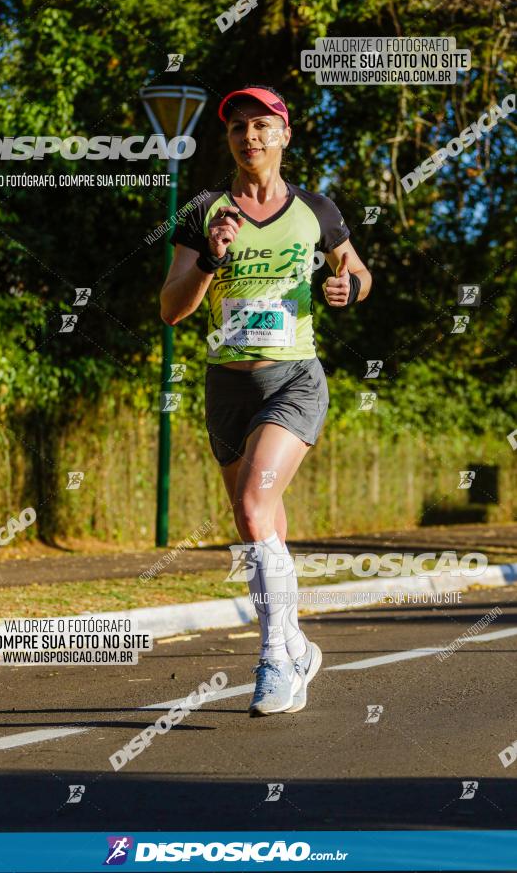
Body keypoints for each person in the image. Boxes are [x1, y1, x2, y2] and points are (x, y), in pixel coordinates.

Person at [161, 85, 372, 716]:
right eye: (236, 128)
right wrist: (208, 256)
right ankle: (299, 645)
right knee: (260, 527)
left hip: (292, 379)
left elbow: (357, 271)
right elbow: (171, 309)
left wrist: (347, 289)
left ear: (283, 133)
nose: (248, 135)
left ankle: (276, 657)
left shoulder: (316, 209)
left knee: (255, 508)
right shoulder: (201, 209)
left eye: (261, 125)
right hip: (226, 386)